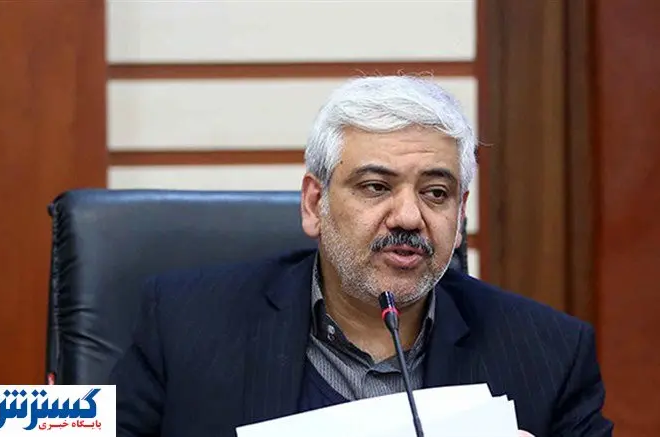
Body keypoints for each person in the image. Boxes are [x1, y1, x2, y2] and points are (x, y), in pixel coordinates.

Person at [112, 75, 613, 437]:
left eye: (436, 193)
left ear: (460, 214)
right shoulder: (184, 323)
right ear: (315, 204)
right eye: (376, 187)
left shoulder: (549, 353)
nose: (409, 217)